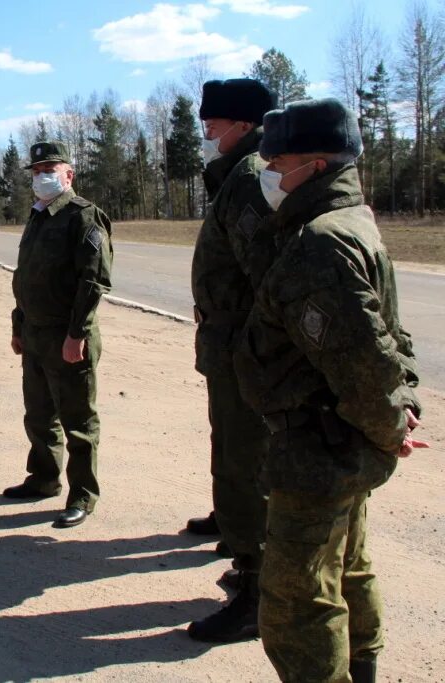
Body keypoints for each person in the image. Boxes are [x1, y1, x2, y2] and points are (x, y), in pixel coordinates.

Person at [233, 98, 426, 683]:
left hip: (319, 449)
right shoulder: (349, 220)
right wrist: (401, 407)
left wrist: (393, 421)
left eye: (276, 159)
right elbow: (389, 334)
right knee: (348, 568)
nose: (265, 170)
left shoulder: (320, 240)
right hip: (341, 439)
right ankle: (362, 666)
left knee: (297, 603)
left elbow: (363, 359)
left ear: (313, 166)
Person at [186, 78, 277, 642]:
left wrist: (247, 342)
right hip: (232, 344)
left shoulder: (246, 179)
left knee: (246, 462)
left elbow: (263, 272)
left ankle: (257, 591)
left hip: (244, 348)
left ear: (243, 125)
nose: (205, 136)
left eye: (212, 126)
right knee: (233, 450)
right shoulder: (238, 175)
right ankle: (245, 552)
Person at [4, 141, 113, 529]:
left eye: (50, 169)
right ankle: (44, 478)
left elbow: (94, 280)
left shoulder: (83, 217)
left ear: (69, 174)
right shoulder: (37, 216)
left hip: (68, 336)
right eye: (36, 171)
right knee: (39, 415)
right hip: (34, 335)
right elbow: (25, 277)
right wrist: (19, 327)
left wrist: (76, 334)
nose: (42, 176)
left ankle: (82, 494)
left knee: (78, 421)